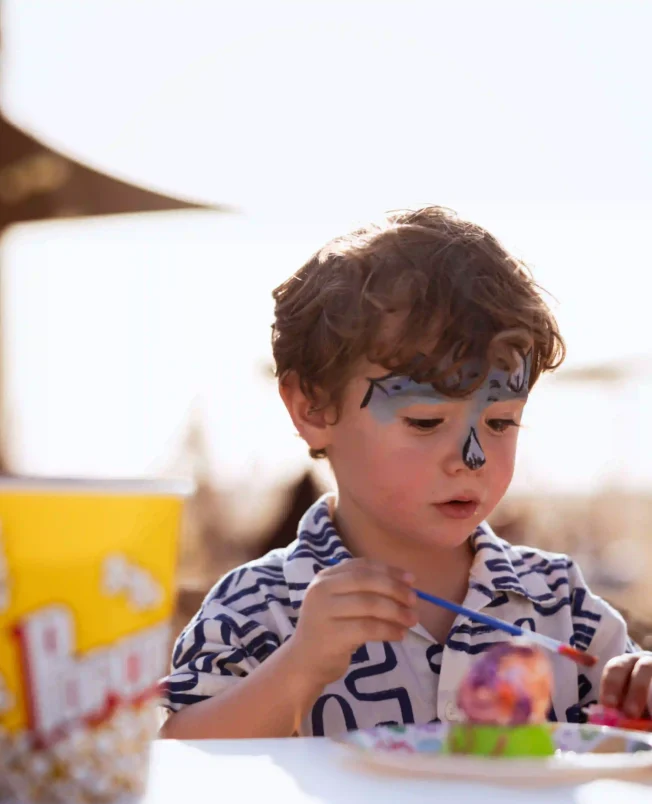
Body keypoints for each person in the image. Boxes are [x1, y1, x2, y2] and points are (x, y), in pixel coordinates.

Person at [161, 206, 651, 740]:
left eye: (501, 421)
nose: (472, 457)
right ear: (314, 408)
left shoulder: (562, 605)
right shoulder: (258, 607)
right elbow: (183, 759)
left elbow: (623, 751)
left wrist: (638, 696)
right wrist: (299, 666)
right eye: (425, 420)